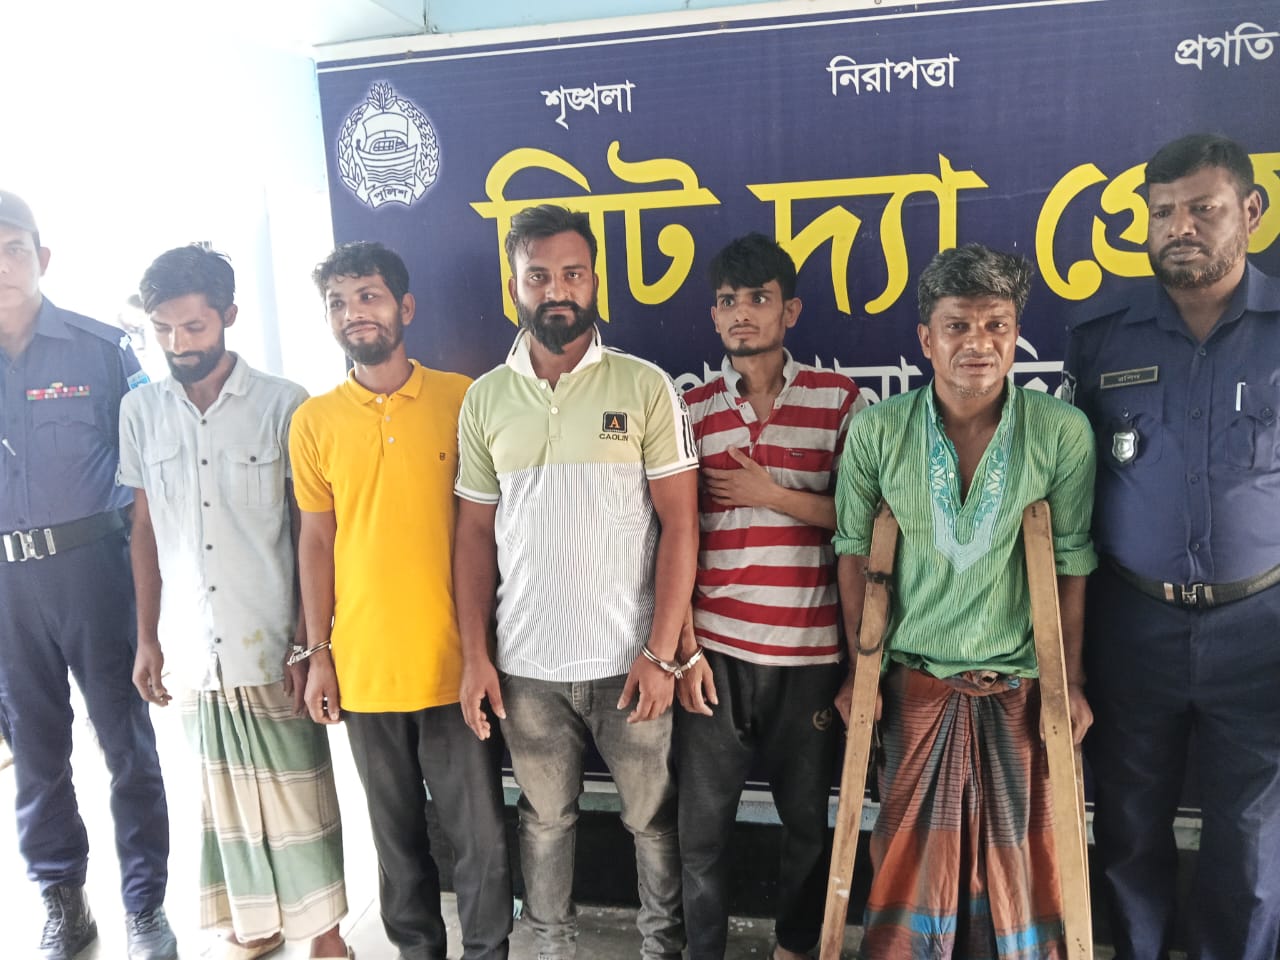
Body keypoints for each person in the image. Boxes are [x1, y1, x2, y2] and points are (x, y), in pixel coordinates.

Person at [834, 244, 1097, 957]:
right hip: (915, 685)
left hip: (1022, 688)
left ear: (1016, 335)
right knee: (911, 870)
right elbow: (854, 555)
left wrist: (1070, 683)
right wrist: (860, 674)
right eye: (957, 326)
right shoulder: (878, 431)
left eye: (995, 326)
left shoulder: (1060, 432)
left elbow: (1070, 564)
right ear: (926, 339)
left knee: (1023, 871)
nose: (978, 344)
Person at [454, 204, 699, 960]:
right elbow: (472, 536)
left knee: (652, 822)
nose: (556, 290)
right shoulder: (485, 399)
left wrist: (661, 652)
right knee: (544, 821)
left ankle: (663, 950)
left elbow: (682, 525)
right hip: (527, 668)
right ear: (514, 287)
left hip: (631, 664)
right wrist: (476, 656)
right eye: (538, 276)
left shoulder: (646, 386)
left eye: (572, 274)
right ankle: (551, 948)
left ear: (594, 281)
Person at [1063, 133, 1280, 960]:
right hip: (1134, 629)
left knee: (1252, 848)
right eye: (1162, 213)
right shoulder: (1102, 340)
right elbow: (1070, 494)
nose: (1179, 227)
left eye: (1202, 208)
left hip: (1261, 631)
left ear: (1250, 211)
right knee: (1127, 829)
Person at [120, 245, 351, 960]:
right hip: (195, 645)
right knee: (223, 801)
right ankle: (256, 922)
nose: (178, 344)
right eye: (163, 329)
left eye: (193, 327)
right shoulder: (140, 410)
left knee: (299, 798)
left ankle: (327, 935)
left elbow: (313, 533)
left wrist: (310, 642)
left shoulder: (285, 404)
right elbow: (144, 529)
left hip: (271, 638)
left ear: (228, 316)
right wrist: (148, 637)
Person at [290, 241, 513, 960]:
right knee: (396, 845)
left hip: (456, 668)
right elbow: (316, 541)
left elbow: (489, 526)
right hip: (365, 672)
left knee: (480, 842)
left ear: (405, 307)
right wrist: (319, 655)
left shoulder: (464, 398)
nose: (354, 312)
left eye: (369, 296)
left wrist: (480, 653)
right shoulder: (314, 421)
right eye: (338, 302)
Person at [674, 233, 865, 960]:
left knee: (807, 825)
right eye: (728, 301)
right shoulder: (690, 408)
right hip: (716, 655)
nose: (742, 313)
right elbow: (672, 536)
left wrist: (771, 493)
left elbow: (863, 524)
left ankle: (796, 947)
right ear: (713, 317)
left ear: (791, 310)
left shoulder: (838, 400)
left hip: (809, 654)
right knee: (701, 830)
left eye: (758, 298)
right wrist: (684, 648)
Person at [0, 190, 176, 960]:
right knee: (36, 756)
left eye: (13, 249)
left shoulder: (102, 350)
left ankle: (145, 908)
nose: (1, 266)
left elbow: (150, 483)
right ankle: (63, 903)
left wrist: (152, 607)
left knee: (125, 745)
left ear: (42, 257)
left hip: (93, 574)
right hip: (8, 590)